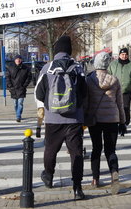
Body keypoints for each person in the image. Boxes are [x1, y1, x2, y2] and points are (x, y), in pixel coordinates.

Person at [35, 36, 87, 200]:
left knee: (50, 149)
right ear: (70, 50)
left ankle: (48, 176)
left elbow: (38, 93)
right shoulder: (78, 68)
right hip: (74, 120)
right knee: (76, 153)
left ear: (56, 49)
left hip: (53, 119)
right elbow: (84, 93)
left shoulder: (47, 68)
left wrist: (47, 107)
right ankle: (77, 187)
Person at [85, 51, 126, 195]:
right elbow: (120, 103)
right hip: (112, 119)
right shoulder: (114, 80)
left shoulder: (89, 80)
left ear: (95, 64)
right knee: (111, 150)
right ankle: (114, 173)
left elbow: (86, 101)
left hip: (95, 119)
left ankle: (95, 179)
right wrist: (122, 121)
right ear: (108, 64)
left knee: (96, 148)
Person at [107, 47, 131, 127]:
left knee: (126, 107)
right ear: (119, 55)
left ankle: (125, 123)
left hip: (127, 91)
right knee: (116, 108)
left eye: (126, 54)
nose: (124, 56)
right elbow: (108, 74)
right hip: (115, 90)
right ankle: (117, 123)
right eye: (122, 54)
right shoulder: (113, 64)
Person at [6, 55, 32, 122]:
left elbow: (29, 77)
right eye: (17, 59)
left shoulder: (26, 68)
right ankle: (17, 113)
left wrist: (24, 85)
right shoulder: (10, 67)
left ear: (21, 60)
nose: (18, 60)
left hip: (21, 88)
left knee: (20, 102)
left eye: (19, 59)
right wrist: (10, 86)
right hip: (13, 88)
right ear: (14, 60)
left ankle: (18, 116)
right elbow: (8, 77)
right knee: (15, 103)